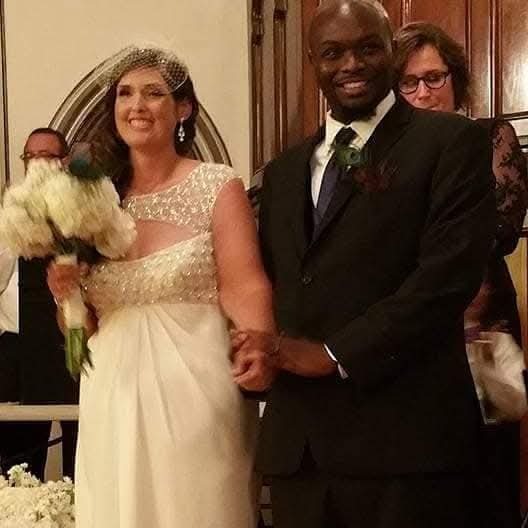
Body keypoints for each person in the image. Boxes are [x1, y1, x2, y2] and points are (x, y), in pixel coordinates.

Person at [230, 1, 498, 527]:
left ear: (391, 54)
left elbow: (446, 279)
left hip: (404, 443)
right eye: (333, 53)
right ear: (314, 62)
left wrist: (334, 353)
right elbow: (269, 282)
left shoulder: (450, 142)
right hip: (301, 451)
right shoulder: (283, 173)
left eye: (367, 48)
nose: (351, 64)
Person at [47, 46, 274, 528]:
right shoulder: (95, 197)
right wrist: (65, 293)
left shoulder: (216, 186)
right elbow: (81, 333)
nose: (137, 105)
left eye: (153, 93)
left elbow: (245, 286)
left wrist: (259, 353)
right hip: (111, 394)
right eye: (125, 94)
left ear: (183, 108)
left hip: (196, 394)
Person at [393, 21, 528, 527]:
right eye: (409, 82)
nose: (424, 92)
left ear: (456, 79)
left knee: (488, 472)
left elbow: (502, 226)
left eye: (434, 77)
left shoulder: (490, 137)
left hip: (480, 322)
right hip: (411, 330)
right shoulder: (383, 158)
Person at [0, 127, 79, 480]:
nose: (37, 164)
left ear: (64, 161)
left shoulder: (82, 211)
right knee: (20, 463)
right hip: (18, 351)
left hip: (73, 344)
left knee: (81, 452)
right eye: (30, 157)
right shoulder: (9, 212)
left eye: (46, 156)